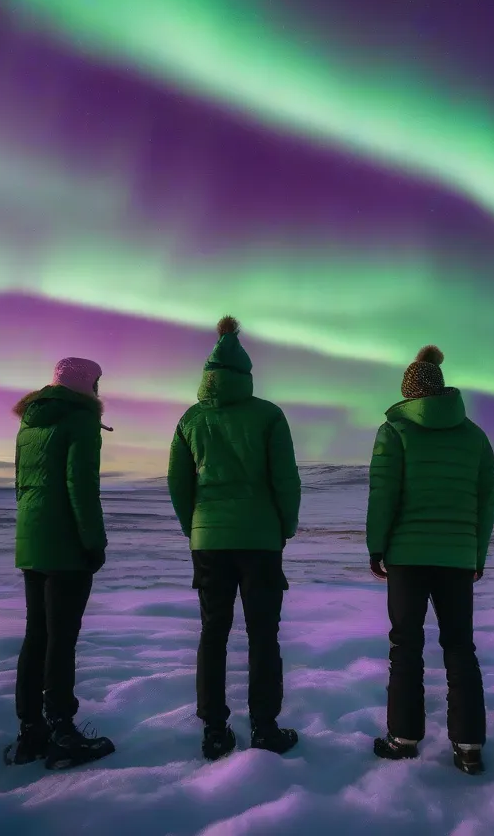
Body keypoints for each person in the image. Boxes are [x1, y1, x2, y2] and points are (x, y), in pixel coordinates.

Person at [168, 316, 302, 761]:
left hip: (209, 541)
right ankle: (264, 727)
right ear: (245, 375)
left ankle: (214, 730)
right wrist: (284, 527)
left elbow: (179, 484)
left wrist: (195, 530)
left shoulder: (190, 418)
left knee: (213, 633)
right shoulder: (268, 415)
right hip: (261, 541)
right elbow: (286, 480)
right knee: (264, 634)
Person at [366, 344, 494, 776]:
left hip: (406, 555)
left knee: (406, 645)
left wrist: (376, 547)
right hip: (457, 558)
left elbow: (383, 494)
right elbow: (485, 501)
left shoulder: (395, 431)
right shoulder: (475, 436)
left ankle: (403, 738)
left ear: (408, 393)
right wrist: (476, 554)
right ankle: (469, 746)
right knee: (460, 647)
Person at [5, 357, 116, 770]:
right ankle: (63, 731)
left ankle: (30, 731)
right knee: (62, 638)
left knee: (37, 635)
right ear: (89, 384)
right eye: (98, 384)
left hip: (31, 540)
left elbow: (21, 484)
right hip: (66, 544)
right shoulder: (81, 420)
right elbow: (81, 487)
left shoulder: (29, 423)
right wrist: (94, 543)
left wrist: (31, 532)